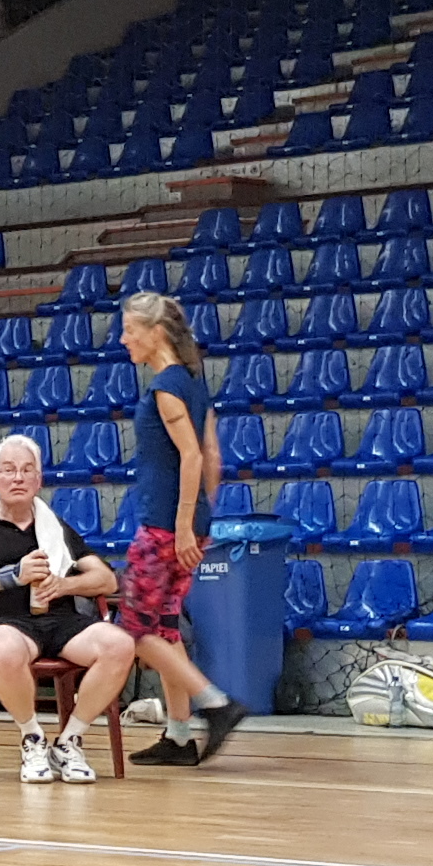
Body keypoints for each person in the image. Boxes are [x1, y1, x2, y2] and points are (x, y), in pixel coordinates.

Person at [0, 434, 136, 782]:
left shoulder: (55, 528)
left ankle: (69, 741)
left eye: (27, 470)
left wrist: (65, 585)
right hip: (7, 622)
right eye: (9, 470)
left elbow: (106, 580)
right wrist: (11, 576)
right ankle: (32, 738)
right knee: (4, 648)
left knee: (120, 644)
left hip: (62, 622)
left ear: (38, 479)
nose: (18, 477)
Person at [113, 291, 244, 765]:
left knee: (133, 628)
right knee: (165, 628)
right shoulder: (194, 381)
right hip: (186, 524)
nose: (124, 339)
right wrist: (200, 517)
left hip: (164, 527)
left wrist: (183, 525)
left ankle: (216, 703)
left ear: (156, 333)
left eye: (130, 330)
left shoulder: (166, 387)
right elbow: (212, 455)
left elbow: (191, 456)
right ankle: (179, 736)